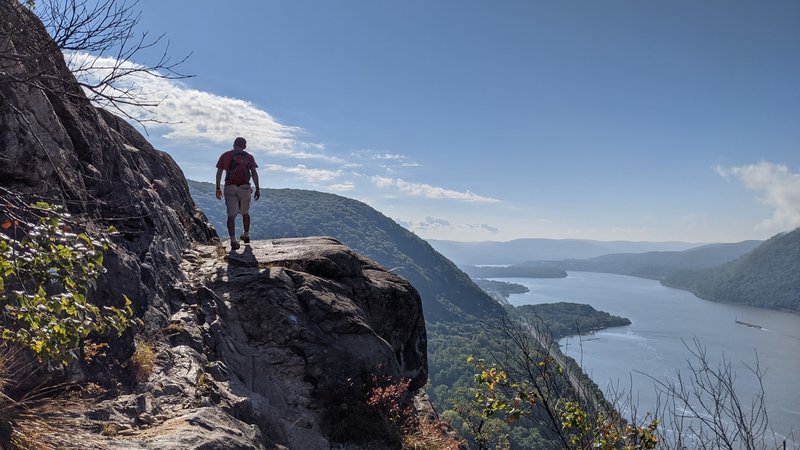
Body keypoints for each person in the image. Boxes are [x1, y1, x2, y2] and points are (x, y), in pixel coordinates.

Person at [215, 137, 260, 250]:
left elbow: (219, 172)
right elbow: (254, 173)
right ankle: (246, 235)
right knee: (245, 212)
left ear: (233, 144)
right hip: (245, 187)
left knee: (231, 215)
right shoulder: (249, 157)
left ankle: (233, 241)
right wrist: (258, 188)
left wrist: (217, 188)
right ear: (245, 146)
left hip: (230, 187)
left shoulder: (225, 155)